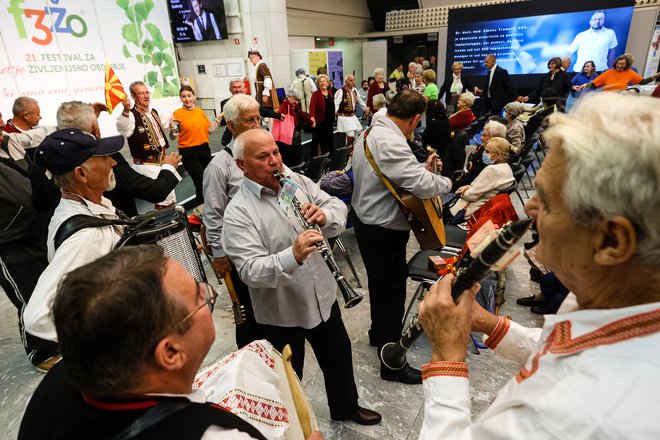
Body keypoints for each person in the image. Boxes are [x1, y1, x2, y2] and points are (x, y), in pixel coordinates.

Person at [417, 92, 660, 439]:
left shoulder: (575, 414)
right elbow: (568, 345)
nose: (529, 208)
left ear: (610, 242)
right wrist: (489, 323)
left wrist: (445, 356)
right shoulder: (612, 293)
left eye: (545, 199)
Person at [19, 245, 322, 440]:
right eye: (200, 297)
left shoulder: (60, 380)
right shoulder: (216, 435)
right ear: (171, 352)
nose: (206, 293)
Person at [222, 128, 382, 426]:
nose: (275, 161)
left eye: (276, 152)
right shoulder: (238, 213)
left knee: (338, 356)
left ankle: (346, 407)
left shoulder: (293, 180)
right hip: (283, 312)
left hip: (322, 294)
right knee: (288, 380)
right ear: (242, 165)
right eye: (263, 156)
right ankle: (295, 428)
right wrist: (292, 255)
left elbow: (334, 204)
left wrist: (325, 215)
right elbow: (250, 271)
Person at [352, 90, 452, 384]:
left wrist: (419, 169)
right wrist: (446, 183)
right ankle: (391, 362)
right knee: (392, 293)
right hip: (382, 227)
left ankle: (377, 335)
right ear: (415, 119)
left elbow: (392, 173)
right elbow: (421, 185)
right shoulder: (392, 141)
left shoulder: (373, 129)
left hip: (367, 218)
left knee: (380, 286)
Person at [22, 128, 125, 371]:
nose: (113, 162)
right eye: (104, 158)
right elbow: (38, 316)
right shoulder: (86, 235)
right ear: (81, 173)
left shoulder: (87, 208)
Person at [203, 94, 264, 349]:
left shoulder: (265, 154)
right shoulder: (219, 166)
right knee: (249, 317)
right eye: (250, 120)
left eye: (259, 118)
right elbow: (213, 215)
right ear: (231, 125)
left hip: (268, 245)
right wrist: (219, 254)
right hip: (240, 252)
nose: (257, 125)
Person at [0, 117, 53, 371]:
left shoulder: (10, 142)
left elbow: (41, 134)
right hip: (9, 243)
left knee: (48, 287)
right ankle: (39, 353)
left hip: (37, 229)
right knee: (28, 296)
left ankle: (58, 336)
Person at [117, 81, 177, 211]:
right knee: (161, 199)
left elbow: (167, 119)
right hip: (147, 164)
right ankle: (162, 226)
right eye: (141, 93)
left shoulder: (153, 112)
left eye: (146, 92)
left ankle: (171, 224)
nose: (146, 96)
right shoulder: (131, 115)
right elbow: (123, 128)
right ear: (133, 97)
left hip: (161, 162)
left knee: (169, 197)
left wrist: (173, 125)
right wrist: (126, 111)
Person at [172, 85, 218, 207]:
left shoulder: (199, 111)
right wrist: (172, 131)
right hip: (188, 152)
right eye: (183, 96)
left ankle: (213, 207)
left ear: (194, 96)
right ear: (180, 98)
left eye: (189, 96)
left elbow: (211, 130)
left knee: (210, 180)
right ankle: (201, 211)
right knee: (201, 182)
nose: (187, 99)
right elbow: (173, 136)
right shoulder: (177, 114)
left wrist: (219, 118)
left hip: (204, 150)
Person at [449, 137, 515, 220]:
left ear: (498, 155)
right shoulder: (506, 168)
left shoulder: (493, 170)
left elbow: (471, 196)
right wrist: (468, 187)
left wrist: (461, 192)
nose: (483, 153)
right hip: (480, 207)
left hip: (467, 210)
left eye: (487, 152)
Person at [219, 78, 283, 147]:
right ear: (230, 90)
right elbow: (223, 122)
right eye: (234, 87)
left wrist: (278, 115)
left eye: (239, 87)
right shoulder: (225, 103)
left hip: (250, 133)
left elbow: (261, 110)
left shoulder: (249, 100)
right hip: (233, 136)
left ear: (244, 88)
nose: (237, 90)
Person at [577, 53, 660, 93]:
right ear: (616, 63)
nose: (619, 66)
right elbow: (595, 83)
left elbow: (643, 82)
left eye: (622, 64)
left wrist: (655, 76)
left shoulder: (630, 72)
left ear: (626, 65)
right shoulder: (608, 72)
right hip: (606, 99)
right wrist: (585, 85)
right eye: (618, 63)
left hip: (620, 99)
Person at [277, 88, 314, 167]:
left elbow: (302, 114)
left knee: (297, 158)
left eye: (298, 101)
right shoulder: (284, 105)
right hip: (287, 140)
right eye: (295, 100)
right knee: (289, 159)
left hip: (296, 137)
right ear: (290, 97)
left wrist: (311, 123)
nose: (296, 102)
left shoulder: (295, 106)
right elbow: (279, 116)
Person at [334, 74, 368, 149]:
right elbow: (336, 103)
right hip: (344, 117)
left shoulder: (355, 90)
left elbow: (360, 101)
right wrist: (333, 115)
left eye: (354, 80)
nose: (353, 82)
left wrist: (365, 109)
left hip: (352, 116)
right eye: (351, 80)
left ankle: (354, 152)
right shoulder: (340, 91)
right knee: (350, 135)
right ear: (346, 82)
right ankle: (348, 153)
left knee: (358, 133)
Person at [309, 74, 335, 155]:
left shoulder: (330, 93)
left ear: (327, 83)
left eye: (324, 81)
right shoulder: (316, 94)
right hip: (320, 122)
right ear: (318, 84)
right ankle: (321, 161)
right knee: (320, 142)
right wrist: (312, 118)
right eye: (320, 82)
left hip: (329, 122)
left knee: (329, 141)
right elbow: (312, 107)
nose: (323, 83)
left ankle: (330, 159)